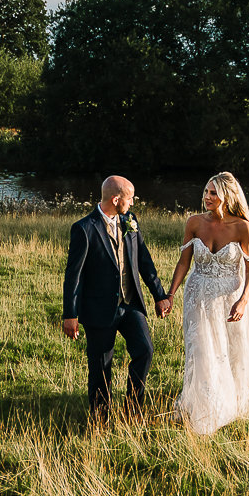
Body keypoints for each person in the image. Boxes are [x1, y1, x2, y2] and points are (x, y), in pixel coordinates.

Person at [164, 171, 249, 434]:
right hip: (198, 295)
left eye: (213, 193)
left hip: (230, 296)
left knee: (232, 348)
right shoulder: (194, 222)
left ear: (227, 196)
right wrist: (170, 294)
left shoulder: (243, 227)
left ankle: (236, 399)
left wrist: (243, 301)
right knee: (201, 348)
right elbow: (184, 262)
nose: (207, 197)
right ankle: (207, 403)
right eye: (206, 191)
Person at [61, 175, 171, 426]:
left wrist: (159, 296)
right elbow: (73, 275)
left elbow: (144, 260)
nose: (132, 202)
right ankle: (100, 419)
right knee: (101, 366)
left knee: (145, 351)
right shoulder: (84, 228)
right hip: (98, 309)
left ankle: (132, 409)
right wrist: (70, 314)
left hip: (130, 304)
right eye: (129, 198)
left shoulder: (130, 221)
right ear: (115, 199)